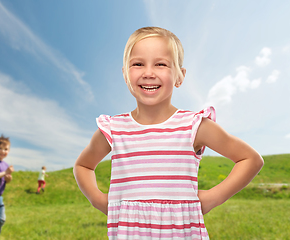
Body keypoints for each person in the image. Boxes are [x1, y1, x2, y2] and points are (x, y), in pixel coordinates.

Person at [73, 27, 264, 240]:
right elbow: (83, 165)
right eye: (138, 64)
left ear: (180, 76)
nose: (148, 72)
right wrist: (97, 199)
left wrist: (212, 198)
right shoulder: (113, 129)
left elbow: (250, 159)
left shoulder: (194, 126)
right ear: (125, 74)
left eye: (160, 64)